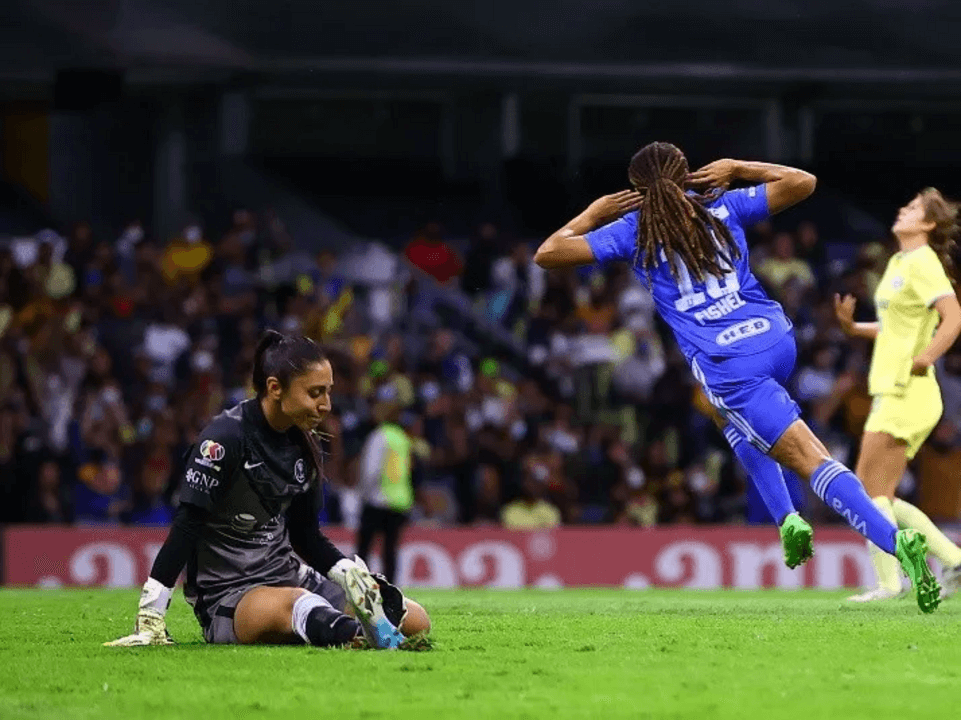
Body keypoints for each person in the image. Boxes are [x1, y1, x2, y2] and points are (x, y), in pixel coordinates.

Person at [534, 141, 941, 613]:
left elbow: (548, 253)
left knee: (809, 458)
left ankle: (895, 541)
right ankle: (787, 518)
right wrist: (740, 168)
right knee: (733, 419)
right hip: (776, 338)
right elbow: (802, 182)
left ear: (637, 190)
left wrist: (593, 211)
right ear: (687, 172)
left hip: (728, 362)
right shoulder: (721, 204)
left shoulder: (632, 231)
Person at [106, 330, 431, 649]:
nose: (326, 405)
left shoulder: (305, 443)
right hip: (229, 593)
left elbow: (306, 536)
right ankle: (354, 635)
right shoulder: (224, 439)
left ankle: (349, 629)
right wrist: (151, 613)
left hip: (287, 574)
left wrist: (346, 572)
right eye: (315, 393)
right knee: (298, 605)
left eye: (328, 392)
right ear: (275, 388)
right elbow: (186, 526)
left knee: (415, 620)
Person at [834, 188, 961, 602]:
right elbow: (896, 325)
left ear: (927, 224)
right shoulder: (898, 262)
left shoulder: (923, 262)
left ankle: (891, 584)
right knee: (877, 492)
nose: (901, 210)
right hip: (891, 388)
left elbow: (953, 316)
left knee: (869, 492)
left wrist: (927, 356)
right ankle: (952, 560)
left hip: (910, 390)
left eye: (912, 208)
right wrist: (857, 329)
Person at [356, 386, 416, 583]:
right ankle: (392, 588)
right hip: (399, 501)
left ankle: (360, 585)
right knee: (390, 551)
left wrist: (363, 495)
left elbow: (371, 471)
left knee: (364, 549)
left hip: (377, 499)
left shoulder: (379, 436)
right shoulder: (401, 437)